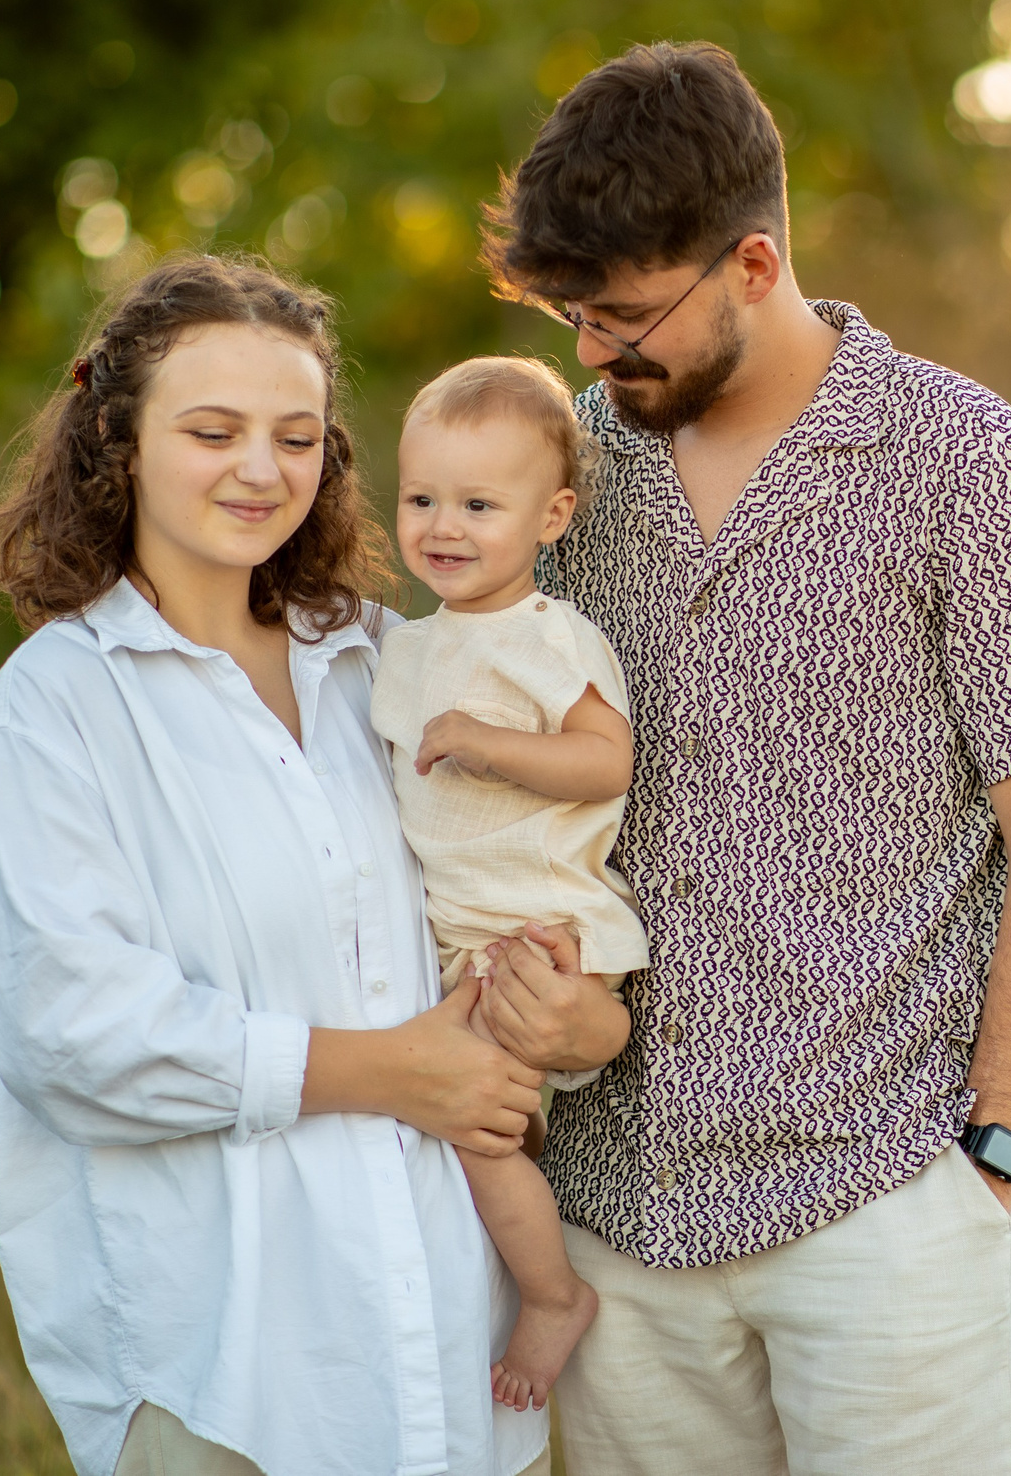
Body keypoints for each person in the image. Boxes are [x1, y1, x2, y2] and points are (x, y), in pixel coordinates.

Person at [483, 41, 1011, 1475]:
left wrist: (993, 1158)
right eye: (574, 312)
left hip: (883, 1208)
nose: (591, 349)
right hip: (618, 1224)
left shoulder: (961, 455)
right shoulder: (561, 474)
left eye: (627, 313)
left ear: (754, 265)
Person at [0, 254, 623, 1476]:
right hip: (229, 1379)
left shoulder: (387, 662)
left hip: (453, 1371)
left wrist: (581, 1019)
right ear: (122, 440)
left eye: (296, 436)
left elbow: (518, 878)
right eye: (213, 430)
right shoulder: (58, 708)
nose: (262, 470)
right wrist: (389, 1072)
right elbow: (70, 1038)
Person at [370, 355, 649, 1411]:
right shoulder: (405, 647)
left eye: (479, 504)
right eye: (422, 498)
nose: (445, 524)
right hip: (464, 934)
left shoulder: (549, 638)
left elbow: (605, 761)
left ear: (551, 516)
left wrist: (489, 745)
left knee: (474, 1130)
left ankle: (549, 1296)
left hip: (540, 928)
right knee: (472, 1130)